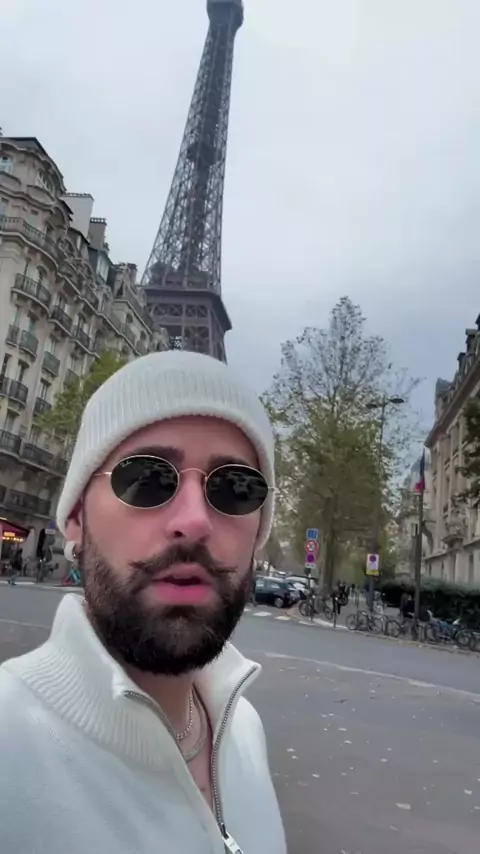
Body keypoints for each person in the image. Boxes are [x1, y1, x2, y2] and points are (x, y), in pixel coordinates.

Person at [0, 351, 286, 854]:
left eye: (235, 489)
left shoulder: (245, 731)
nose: (194, 521)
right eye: (147, 478)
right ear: (76, 518)